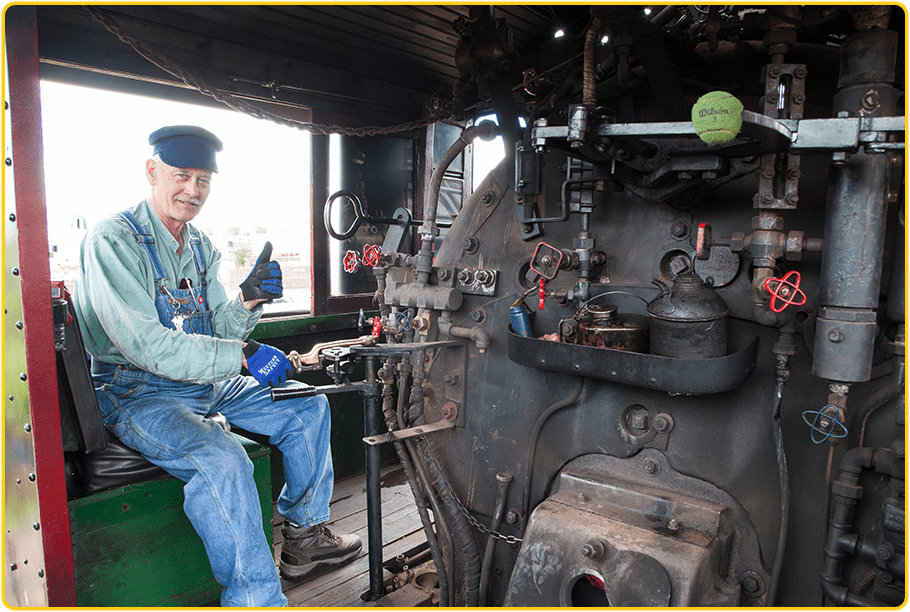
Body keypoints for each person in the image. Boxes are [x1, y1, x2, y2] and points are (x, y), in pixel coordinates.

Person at [74, 125, 361, 607]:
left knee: (307, 408)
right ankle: (255, 599)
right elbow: (147, 345)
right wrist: (242, 356)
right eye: (181, 175)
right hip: (137, 392)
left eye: (204, 180)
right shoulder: (113, 240)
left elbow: (216, 332)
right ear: (152, 171)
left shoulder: (201, 245)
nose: (193, 190)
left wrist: (248, 300)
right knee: (224, 459)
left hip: (204, 382)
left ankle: (306, 537)